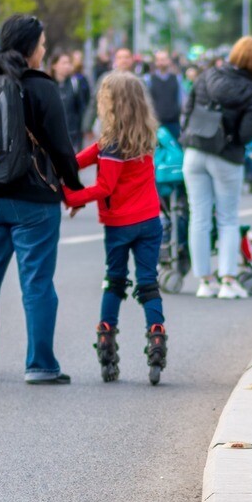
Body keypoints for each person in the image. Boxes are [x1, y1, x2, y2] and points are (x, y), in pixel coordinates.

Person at [0, 15, 85, 383]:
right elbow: (60, 145)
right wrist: (73, 187)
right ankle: (40, 364)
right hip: (33, 199)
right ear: (30, 47)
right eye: (41, 44)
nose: (44, 50)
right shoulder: (39, 87)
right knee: (37, 281)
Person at [66, 72, 169, 382]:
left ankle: (107, 342)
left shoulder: (111, 145)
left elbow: (104, 187)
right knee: (148, 283)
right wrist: (66, 165)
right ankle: (156, 336)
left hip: (120, 225)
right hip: (150, 221)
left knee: (115, 281)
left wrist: (71, 196)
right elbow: (79, 160)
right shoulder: (147, 135)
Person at [181, 36, 252, 299]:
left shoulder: (207, 75)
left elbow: (188, 108)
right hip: (226, 156)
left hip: (194, 151)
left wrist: (189, 137)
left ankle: (204, 281)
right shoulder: (251, 90)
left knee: (199, 217)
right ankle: (228, 280)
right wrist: (235, 140)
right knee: (228, 218)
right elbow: (248, 133)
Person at [144, 49, 186, 142]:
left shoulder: (177, 78)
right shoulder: (148, 79)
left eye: (164, 59)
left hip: (173, 123)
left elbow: (182, 101)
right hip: (155, 124)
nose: (161, 62)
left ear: (169, 61)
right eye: (158, 60)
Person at [53, 51, 89, 153]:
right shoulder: (48, 84)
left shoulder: (75, 83)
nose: (67, 66)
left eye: (69, 63)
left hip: (73, 134)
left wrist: (83, 128)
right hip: (54, 135)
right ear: (54, 65)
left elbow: (82, 107)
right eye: (64, 63)